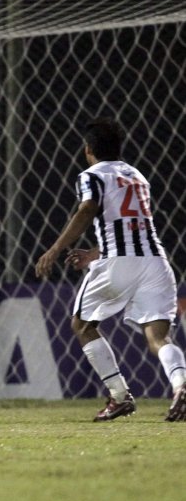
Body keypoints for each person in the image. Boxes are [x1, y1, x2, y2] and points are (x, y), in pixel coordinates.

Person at [35, 117, 186, 422]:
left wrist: (54, 249)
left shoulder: (91, 175)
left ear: (87, 149)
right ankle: (181, 386)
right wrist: (93, 253)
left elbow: (87, 208)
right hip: (156, 262)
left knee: (82, 325)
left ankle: (119, 396)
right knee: (160, 337)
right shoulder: (137, 176)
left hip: (119, 263)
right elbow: (131, 226)